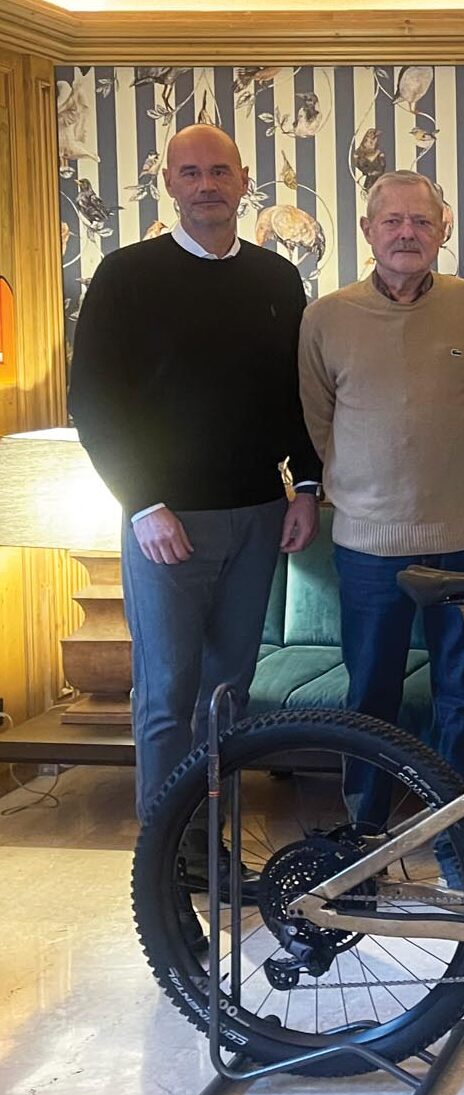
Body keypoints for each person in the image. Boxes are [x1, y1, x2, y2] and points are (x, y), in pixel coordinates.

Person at [67, 123, 320, 819]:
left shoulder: (277, 278)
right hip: (165, 523)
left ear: (244, 182)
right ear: (170, 185)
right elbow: (95, 402)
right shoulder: (126, 276)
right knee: (167, 694)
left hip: (258, 516)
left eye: (219, 171)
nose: (206, 185)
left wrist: (306, 485)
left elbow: (296, 395)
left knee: (228, 692)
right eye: (191, 173)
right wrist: (142, 502)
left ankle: (214, 842)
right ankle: (165, 857)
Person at [298, 170, 464, 830]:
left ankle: (459, 834)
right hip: (367, 546)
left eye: (421, 221)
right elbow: (318, 419)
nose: (407, 233)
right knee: (370, 695)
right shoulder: (326, 316)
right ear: (368, 230)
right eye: (392, 220)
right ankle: (365, 831)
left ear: (444, 231)